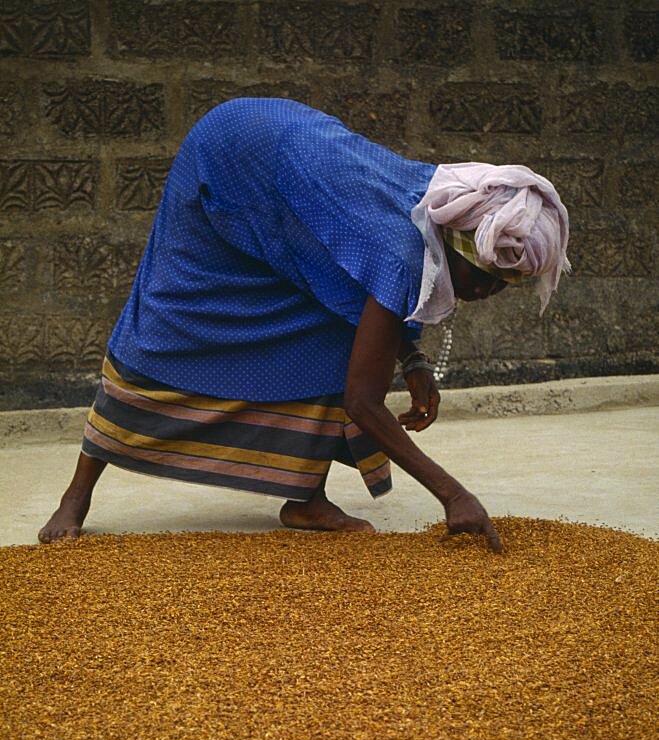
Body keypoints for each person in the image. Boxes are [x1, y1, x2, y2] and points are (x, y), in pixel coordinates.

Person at [39, 98, 570, 550]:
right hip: (226, 160)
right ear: (459, 246)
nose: (488, 293)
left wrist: (414, 360)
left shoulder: (436, 208)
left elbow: (385, 293)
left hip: (287, 170)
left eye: (507, 286)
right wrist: (453, 494)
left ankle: (305, 500)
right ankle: (76, 495)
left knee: (337, 330)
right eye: (488, 278)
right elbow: (363, 401)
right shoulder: (401, 249)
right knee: (167, 328)